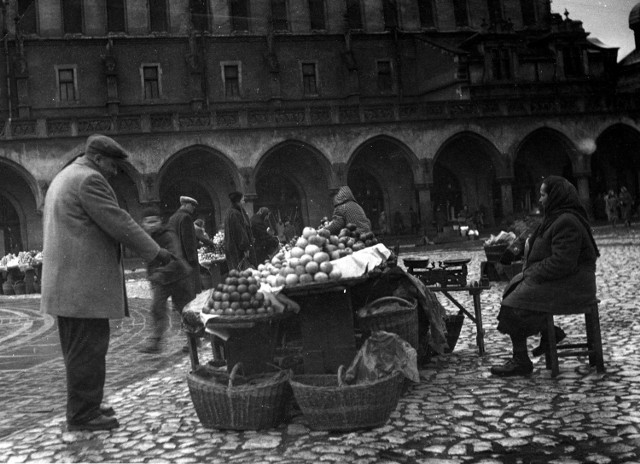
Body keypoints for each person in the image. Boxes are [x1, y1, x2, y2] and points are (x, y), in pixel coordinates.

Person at [40, 134, 173, 431]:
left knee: (80, 349)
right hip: (81, 289)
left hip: (68, 287)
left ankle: (86, 404)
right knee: (87, 350)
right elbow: (119, 221)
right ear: (98, 159)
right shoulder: (89, 180)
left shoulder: (66, 176)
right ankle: (82, 415)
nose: (114, 171)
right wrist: (156, 252)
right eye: (112, 165)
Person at [490, 175, 600, 377]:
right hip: (561, 281)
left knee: (514, 304)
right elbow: (535, 243)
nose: (539, 200)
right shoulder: (554, 218)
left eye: (543, 195)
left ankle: (523, 358)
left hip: (573, 285)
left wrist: (531, 273)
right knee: (514, 292)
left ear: (555, 196)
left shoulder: (567, 222)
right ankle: (547, 334)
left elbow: (562, 262)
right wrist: (515, 253)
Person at [139, 206, 193, 354]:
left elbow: (175, 258)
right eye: (148, 222)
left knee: (184, 310)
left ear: (160, 221)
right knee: (157, 309)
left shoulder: (168, 235)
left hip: (178, 277)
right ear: (143, 223)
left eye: (154, 221)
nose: (152, 225)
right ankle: (155, 343)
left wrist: (157, 274)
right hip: (162, 280)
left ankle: (193, 340)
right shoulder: (146, 237)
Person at [168, 196, 201, 295]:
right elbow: (188, 241)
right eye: (192, 205)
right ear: (185, 205)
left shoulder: (172, 218)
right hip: (187, 260)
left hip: (176, 259)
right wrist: (192, 260)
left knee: (181, 291)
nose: (193, 208)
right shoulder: (186, 217)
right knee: (191, 289)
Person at [224, 191, 255, 271]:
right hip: (237, 249)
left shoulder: (229, 212)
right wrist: (245, 248)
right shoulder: (235, 213)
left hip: (232, 247)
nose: (244, 202)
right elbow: (240, 231)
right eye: (242, 200)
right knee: (241, 271)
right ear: (238, 201)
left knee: (235, 272)